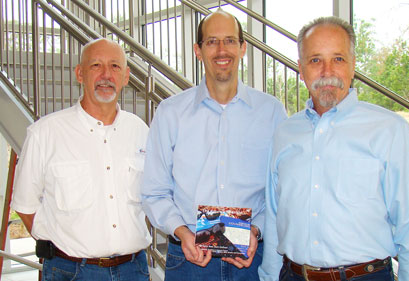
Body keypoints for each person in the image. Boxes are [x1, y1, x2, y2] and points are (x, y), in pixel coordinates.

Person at [258, 16, 409, 281]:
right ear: (300, 67)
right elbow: (274, 220)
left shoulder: (389, 130)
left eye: (338, 59)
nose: (327, 71)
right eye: (315, 60)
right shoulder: (285, 133)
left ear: (353, 65)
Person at [141, 10, 287, 281]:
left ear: (243, 47)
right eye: (212, 41)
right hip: (188, 261)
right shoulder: (171, 113)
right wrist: (182, 232)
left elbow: (280, 191)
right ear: (198, 50)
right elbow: (154, 192)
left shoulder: (271, 112)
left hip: (252, 259)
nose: (222, 50)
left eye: (230, 40)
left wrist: (255, 231)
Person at [11, 38, 151, 281]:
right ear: (79, 74)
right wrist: (63, 246)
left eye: (115, 67)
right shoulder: (45, 133)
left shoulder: (140, 131)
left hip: (133, 270)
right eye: (96, 65)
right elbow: (25, 206)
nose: (106, 75)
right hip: (72, 271)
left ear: (126, 77)